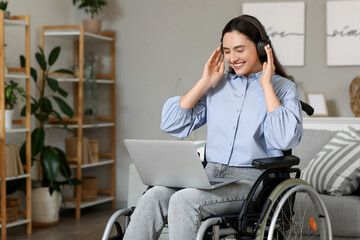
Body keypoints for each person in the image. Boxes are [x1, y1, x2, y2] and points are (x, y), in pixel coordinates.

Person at [123, 14, 302, 240]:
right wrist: (204, 82)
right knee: (154, 195)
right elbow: (171, 124)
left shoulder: (283, 88)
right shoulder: (219, 86)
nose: (232, 58)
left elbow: (284, 139)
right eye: (227, 51)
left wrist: (266, 85)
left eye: (239, 50)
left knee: (183, 200)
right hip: (208, 177)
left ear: (260, 48)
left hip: (252, 182)